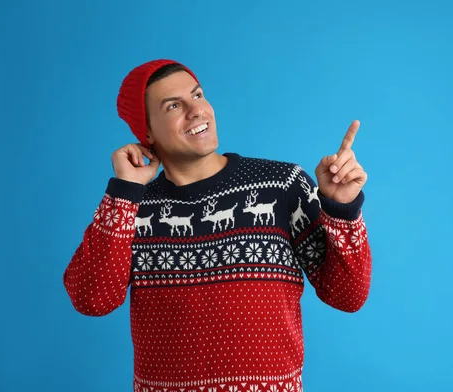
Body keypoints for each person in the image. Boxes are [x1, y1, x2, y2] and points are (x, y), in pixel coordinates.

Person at [63, 58, 372, 392]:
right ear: (146, 131)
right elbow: (92, 300)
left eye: (197, 95)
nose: (196, 111)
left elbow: (347, 296)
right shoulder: (133, 210)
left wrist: (341, 208)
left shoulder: (282, 185)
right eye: (173, 106)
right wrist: (124, 192)